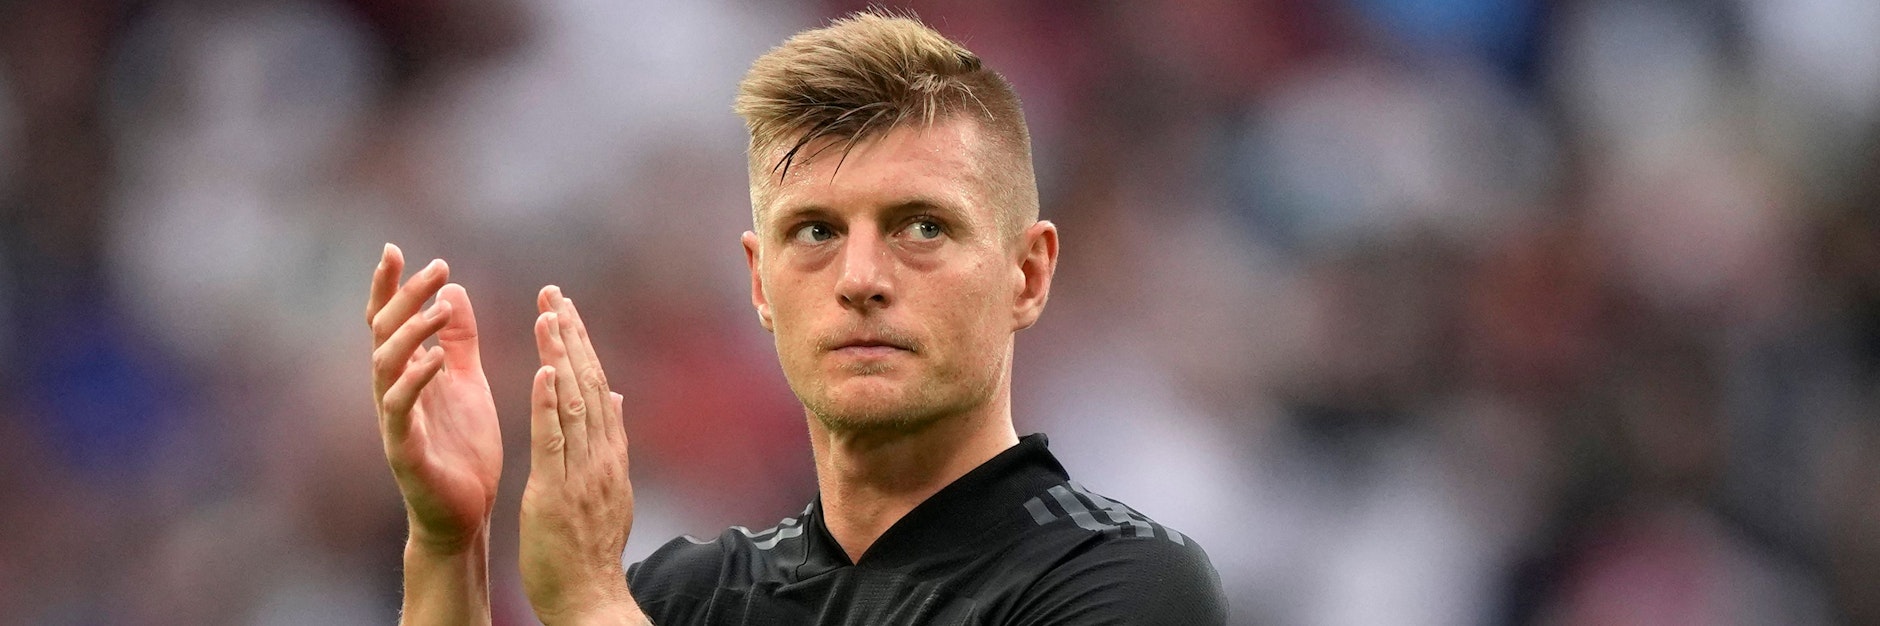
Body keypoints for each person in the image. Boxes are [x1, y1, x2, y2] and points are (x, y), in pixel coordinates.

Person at [365, 10, 1226, 625]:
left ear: (1027, 274)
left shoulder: (1122, 582)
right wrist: (449, 544)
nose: (859, 279)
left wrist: (592, 608)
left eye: (921, 226)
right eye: (814, 231)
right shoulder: (686, 596)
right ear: (761, 283)